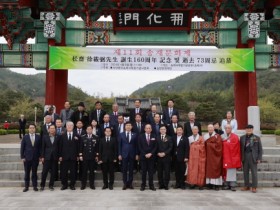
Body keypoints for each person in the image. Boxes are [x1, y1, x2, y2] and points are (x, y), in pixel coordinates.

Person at [240, 124, 263, 193]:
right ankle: (246, 186)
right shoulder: (242, 137)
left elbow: (260, 149)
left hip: (253, 156)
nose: (249, 130)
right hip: (245, 156)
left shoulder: (256, 138)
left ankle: (254, 187)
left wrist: (259, 158)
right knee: (245, 172)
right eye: (247, 129)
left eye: (250, 129)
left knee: (254, 173)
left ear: (252, 130)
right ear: (245, 130)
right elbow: (240, 149)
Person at [20, 124, 41, 192]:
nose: (32, 129)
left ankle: (35, 186)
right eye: (30, 128)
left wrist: (40, 156)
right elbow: (22, 148)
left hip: (35, 158)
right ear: (28, 129)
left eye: (33, 128)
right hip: (27, 158)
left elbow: (40, 148)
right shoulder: (25, 137)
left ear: (35, 129)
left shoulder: (38, 137)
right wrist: (22, 157)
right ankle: (26, 186)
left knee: (34, 173)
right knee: (27, 173)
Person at [59, 121, 80, 190]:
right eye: (68, 126)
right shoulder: (62, 136)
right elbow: (60, 147)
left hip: (73, 157)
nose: (69, 127)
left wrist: (78, 155)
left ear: (73, 127)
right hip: (64, 157)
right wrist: (60, 156)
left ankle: (72, 185)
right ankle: (64, 185)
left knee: (73, 172)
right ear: (66, 127)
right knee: (64, 171)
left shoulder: (77, 135)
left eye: (71, 126)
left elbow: (78, 147)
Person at [118, 122, 138, 190]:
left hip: (132, 154)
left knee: (131, 169)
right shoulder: (121, 134)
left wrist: (137, 154)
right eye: (127, 125)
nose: (128, 126)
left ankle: (130, 183)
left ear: (131, 127)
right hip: (124, 154)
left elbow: (136, 146)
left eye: (129, 125)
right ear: (125, 127)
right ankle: (125, 184)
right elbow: (119, 145)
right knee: (124, 169)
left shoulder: (135, 134)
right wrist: (119, 154)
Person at [222, 124, 241, 191]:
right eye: (226, 128)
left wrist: (226, 143)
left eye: (229, 128)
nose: (227, 129)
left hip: (232, 157)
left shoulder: (235, 137)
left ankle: (232, 185)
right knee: (225, 171)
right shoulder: (223, 136)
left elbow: (235, 146)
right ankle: (226, 184)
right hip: (225, 156)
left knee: (231, 171)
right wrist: (226, 142)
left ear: (231, 129)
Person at [138, 124, 157, 191]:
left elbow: (155, 146)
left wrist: (151, 153)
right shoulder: (141, 136)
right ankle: (143, 185)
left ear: (151, 129)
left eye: (149, 128)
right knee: (143, 172)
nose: (148, 129)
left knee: (151, 172)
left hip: (151, 157)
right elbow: (139, 147)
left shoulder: (154, 136)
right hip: (143, 157)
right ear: (145, 129)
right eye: (147, 128)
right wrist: (145, 154)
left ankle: (151, 185)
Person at [79, 125, 99, 190]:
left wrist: (97, 156)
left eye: (90, 129)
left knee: (92, 172)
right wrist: (80, 155)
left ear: (92, 130)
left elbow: (97, 148)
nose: (89, 130)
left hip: (92, 157)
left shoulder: (96, 137)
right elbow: (80, 147)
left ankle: (92, 184)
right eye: (88, 129)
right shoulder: (82, 137)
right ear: (86, 130)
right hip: (85, 157)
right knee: (84, 172)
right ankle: (83, 185)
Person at [40, 124, 59, 191]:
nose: (52, 129)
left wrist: (59, 156)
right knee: (44, 172)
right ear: (48, 130)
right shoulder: (45, 137)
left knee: (53, 172)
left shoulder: (58, 137)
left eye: (53, 128)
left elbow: (59, 148)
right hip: (47, 157)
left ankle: (51, 185)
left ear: (55, 129)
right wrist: (42, 156)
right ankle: (42, 185)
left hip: (55, 157)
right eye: (51, 128)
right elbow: (42, 148)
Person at [204, 124, 223, 191]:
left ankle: (216, 185)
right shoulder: (205, 136)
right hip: (208, 156)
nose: (210, 129)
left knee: (215, 169)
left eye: (211, 128)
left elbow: (219, 146)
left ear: (213, 129)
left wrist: (209, 145)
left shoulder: (217, 136)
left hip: (215, 156)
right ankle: (209, 184)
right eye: (209, 128)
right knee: (208, 170)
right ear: (207, 129)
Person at [173, 125, 189, 189]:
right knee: (177, 171)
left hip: (182, 158)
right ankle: (177, 184)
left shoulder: (185, 138)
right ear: (176, 131)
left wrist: (186, 157)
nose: (179, 131)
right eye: (178, 130)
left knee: (182, 171)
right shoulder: (173, 138)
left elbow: (187, 148)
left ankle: (182, 184)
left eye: (180, 130)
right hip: (175, 158)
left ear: (182, 131)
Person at [157, 125, 173, 190]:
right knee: (159, 172)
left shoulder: (169, 138)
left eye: (164, 129)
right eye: (161, 129)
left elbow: (170, 147)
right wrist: (158, 153)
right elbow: (155, 147)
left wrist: (164, 153)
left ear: (166, 130)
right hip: (159, 157)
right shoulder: (157, 137)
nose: (162, 130)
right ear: (159, 130)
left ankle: (166, 184)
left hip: (166, 157)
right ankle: (161, 184)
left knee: (167, 172)